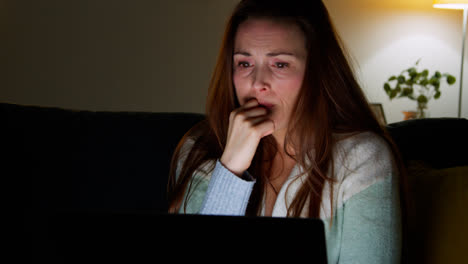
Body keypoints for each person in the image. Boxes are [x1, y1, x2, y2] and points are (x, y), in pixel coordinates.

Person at [167, 0, 405, 263]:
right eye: (244, 64)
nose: (258, 83)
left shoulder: (363, 159)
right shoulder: (199, 150)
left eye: (280, 65)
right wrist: (231, 167)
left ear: (316, 71)